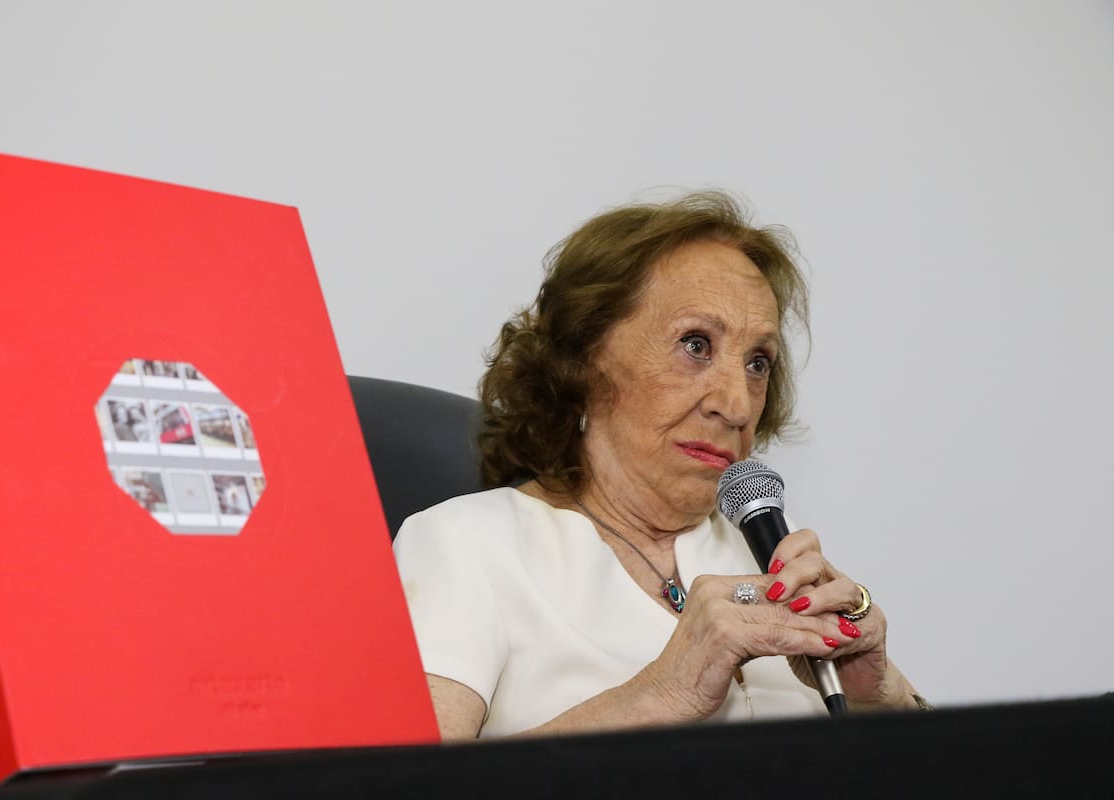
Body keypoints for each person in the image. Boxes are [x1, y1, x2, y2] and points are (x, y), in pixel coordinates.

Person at [392, 191, 925, 740]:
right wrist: (661, 695)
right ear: (583, 359)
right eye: (696, 345)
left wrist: (884, 700)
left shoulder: (771, 561)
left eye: (758, 363)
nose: (737, 404)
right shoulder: (466, 547)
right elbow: (405, 789)